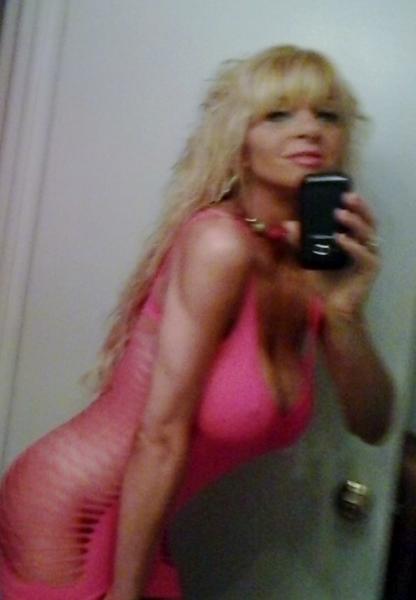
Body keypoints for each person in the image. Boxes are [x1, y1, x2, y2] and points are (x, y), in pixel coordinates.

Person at [0, 44, 394, 600]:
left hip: (137, 516)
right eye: (279, 113)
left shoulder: (312, 265)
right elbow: (161, 436)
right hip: (71, 512)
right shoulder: (218, 244)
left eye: (326, 115)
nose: (309, 129)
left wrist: (346, 311)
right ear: (239, 141)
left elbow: (372, 425)